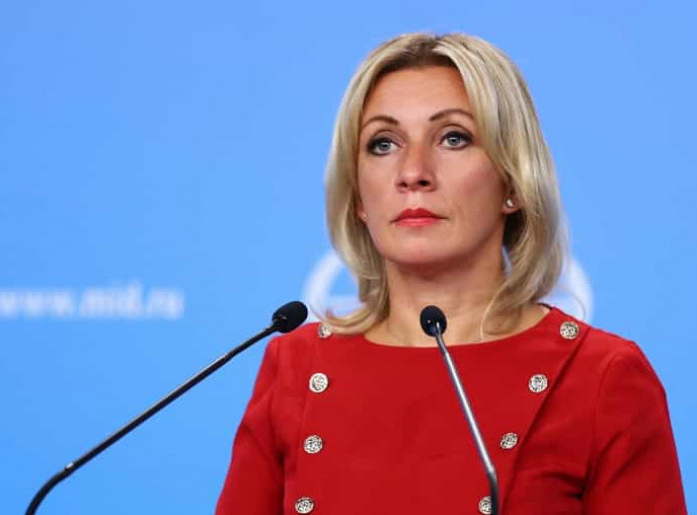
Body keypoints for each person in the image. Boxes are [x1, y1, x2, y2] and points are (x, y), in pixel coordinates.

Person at [216, 33, 687, 514]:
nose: (412, 172)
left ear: (513, 181)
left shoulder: (602, 377)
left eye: (453, 138)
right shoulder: (295, 367)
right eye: (383, 144)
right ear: (358, 197)